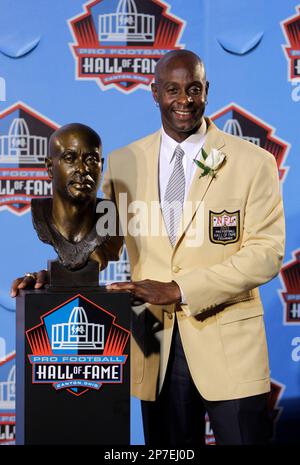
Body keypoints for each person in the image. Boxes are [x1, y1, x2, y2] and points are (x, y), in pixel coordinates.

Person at [12, 50, 285, 446]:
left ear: (207, 91)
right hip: (155, 344)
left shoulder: (252, 162)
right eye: (172, 89)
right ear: (154, 92)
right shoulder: (123, 164)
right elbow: (104, 243)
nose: (184, 100)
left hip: (230, 349)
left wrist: (180, 289)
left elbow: (266, 252)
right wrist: (54, 279)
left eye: (194, 89)